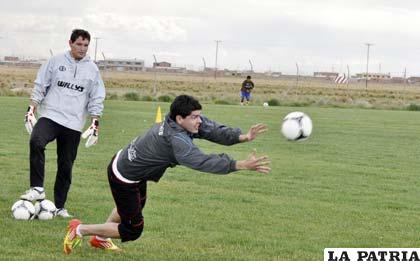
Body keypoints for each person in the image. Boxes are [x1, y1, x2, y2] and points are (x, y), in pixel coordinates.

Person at [63, 95, 270, 254]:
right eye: (195, 117)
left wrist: (243, 137)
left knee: (129, 207)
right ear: (180, 119)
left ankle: (100, 239)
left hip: (131, 167)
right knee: (133, 228)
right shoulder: (177, 140)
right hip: (124, 176)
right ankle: (80, 229)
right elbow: (202, 161)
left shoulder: (183, 120)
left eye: (199, 115)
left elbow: (212, 129)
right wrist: (240, 164)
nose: (199, 121)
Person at [20, 29, 106, 218]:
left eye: (85, 45)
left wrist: (95, 122)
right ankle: (37, 188)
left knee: (66, 165)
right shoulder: (55, 61)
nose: (82, 49)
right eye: (79, 44)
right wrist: (31, 108)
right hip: (50, 115)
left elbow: (96, 97)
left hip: (73, 123)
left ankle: (59, 207)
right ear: (70, 43)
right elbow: (40, 85)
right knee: (36, 141)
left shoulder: (93, 69)